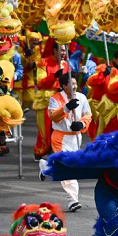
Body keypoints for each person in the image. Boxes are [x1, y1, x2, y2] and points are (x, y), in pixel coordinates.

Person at [44, 73, 91, 212]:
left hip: (75, 137)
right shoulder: (55, 99)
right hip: (60, 137)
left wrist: (81, 125)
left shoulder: (82, 97)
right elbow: (53, 117)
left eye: (76, 83)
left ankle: (44, 166)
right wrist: (66, 108)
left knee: (71, 165)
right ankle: (73, 200)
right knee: (67, 166)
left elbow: (88, 116)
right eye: (71, 84)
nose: (75, 86)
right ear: (64, 86)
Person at [33, 40, 69, 161]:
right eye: (61, 50)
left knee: (58, 127)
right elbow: (40, 82)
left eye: (65, 50)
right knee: (45, 129)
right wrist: (54, 76)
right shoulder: (43, 63)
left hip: (60, 100)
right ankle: (40, 151)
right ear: (54, 50)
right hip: (45, 100)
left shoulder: (66, 64)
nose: (64, 52)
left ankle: (54, 150)